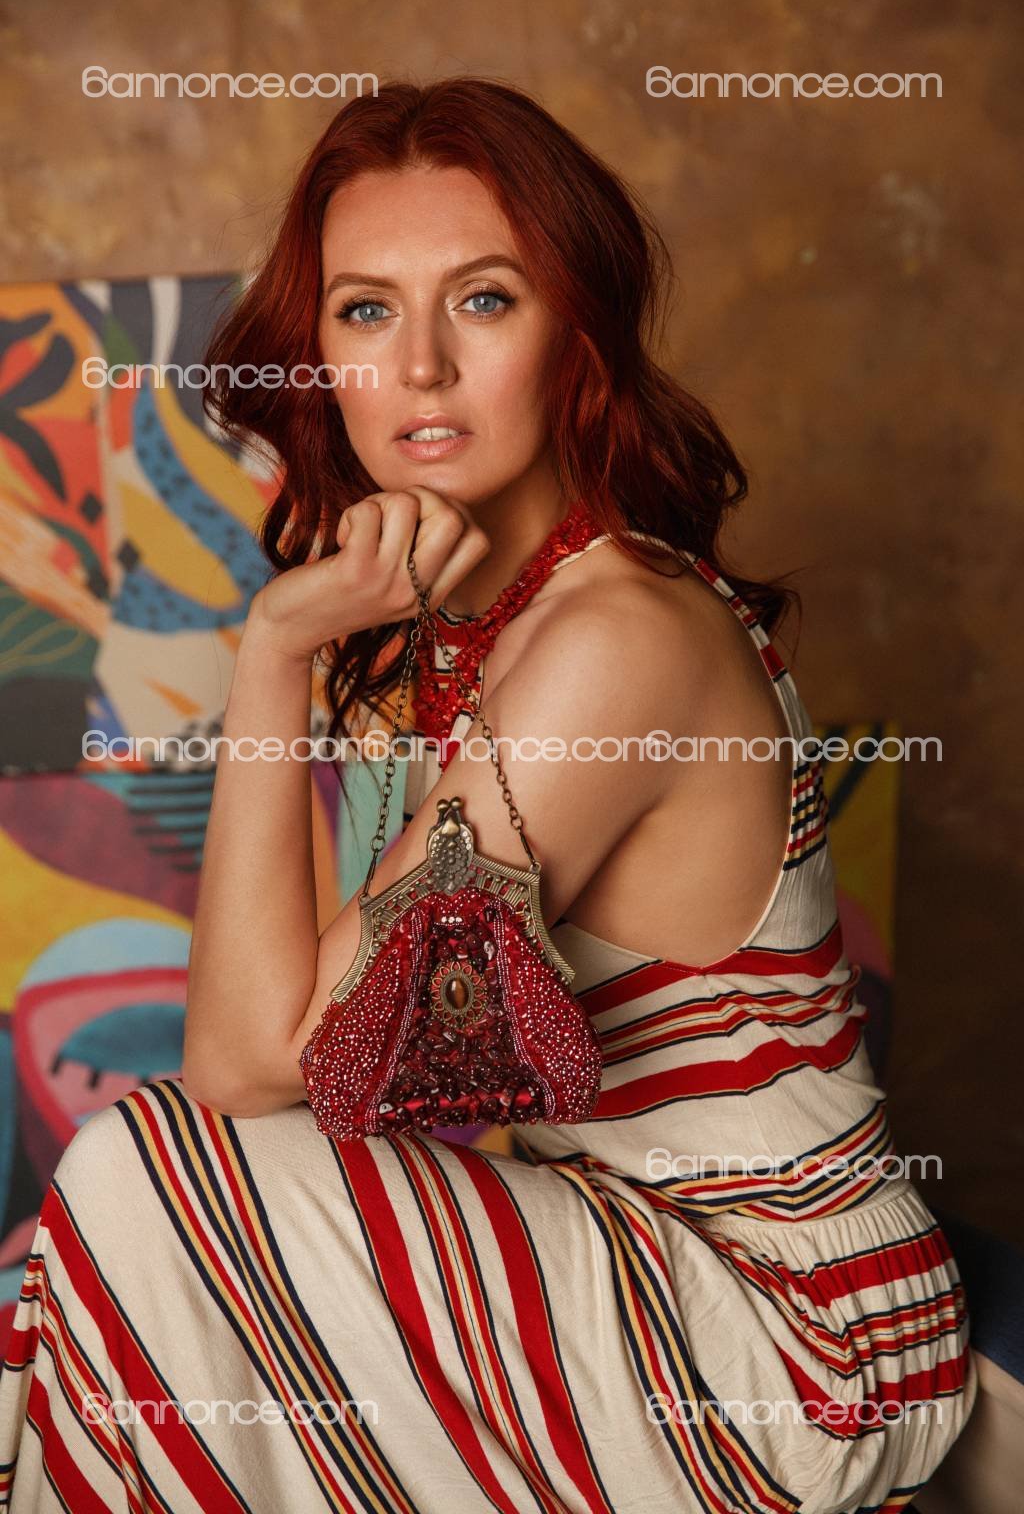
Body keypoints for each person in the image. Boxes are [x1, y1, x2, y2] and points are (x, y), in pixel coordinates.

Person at [0, 77, 976, 1513]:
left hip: (806, 1338)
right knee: (157, 1189)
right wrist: (294, 647)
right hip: (640, 1260)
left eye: (484, 299)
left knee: (146, 1174)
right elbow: (286, 1049)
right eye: (367, 311)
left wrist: (270, 651)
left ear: (577, 330)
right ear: (323, 357)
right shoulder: (482, 624)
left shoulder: (615, 641)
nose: (422, 368)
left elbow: (249, 1066)